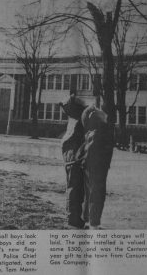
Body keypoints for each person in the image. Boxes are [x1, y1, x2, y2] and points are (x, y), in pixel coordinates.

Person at [60, 94, 114, 229]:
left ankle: (76, 220)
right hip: (75, 158)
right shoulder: (81, 118)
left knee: (76, 189)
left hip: (74, 157)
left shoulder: (76, 119)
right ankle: (75, 220)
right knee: (76, 189)